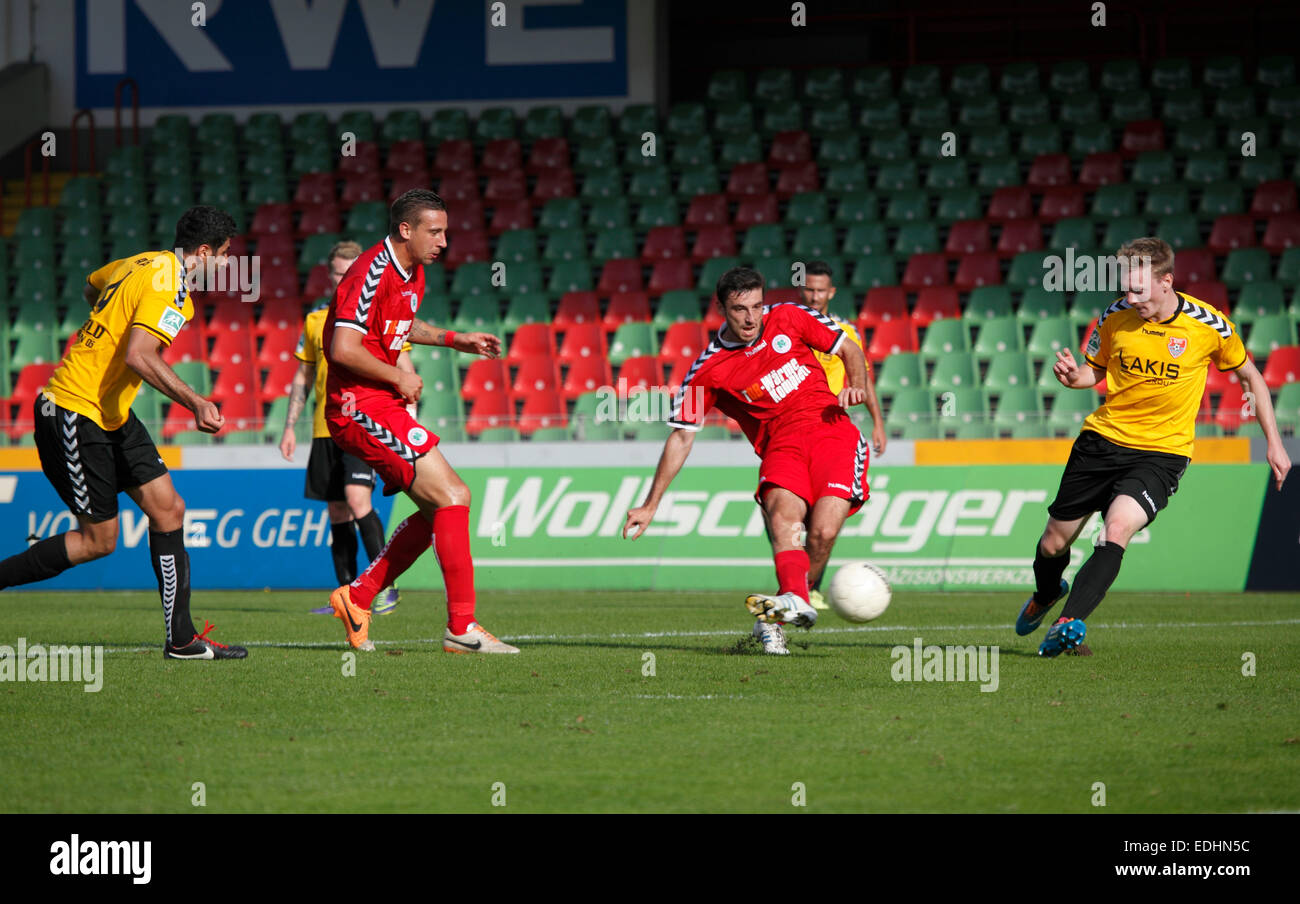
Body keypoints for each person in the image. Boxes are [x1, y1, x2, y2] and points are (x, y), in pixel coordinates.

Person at [1019, 237, 1291, 657]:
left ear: (1167, 281)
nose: (1130, 297)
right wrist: (1072, 377)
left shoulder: (1209, 324)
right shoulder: (1115, 315)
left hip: (1162, 453)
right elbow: (1093, 373)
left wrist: (1274, 443)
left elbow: (1251, 378)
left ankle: (1067, 624)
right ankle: (1047, 592)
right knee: (1053, 544)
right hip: (1102, 441)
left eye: (1139, 289)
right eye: (1126, 287)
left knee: (1116, 528)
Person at [0, 206, 247, 660]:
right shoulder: (171, 288)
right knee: (99, 542)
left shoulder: (140, 262)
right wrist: (196, 401)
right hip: (74, 409)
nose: (227, 265)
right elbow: (139, 355)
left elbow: (92, 283)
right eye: (225, 255)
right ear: (205, 252)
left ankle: (182, 640)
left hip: (112, 413)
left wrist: (103, 323)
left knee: (168, 508)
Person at [623, 266, 881, 655]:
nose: (751, 318)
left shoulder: (790, 317)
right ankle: (795, 599)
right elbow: (681, 436)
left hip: (831, 431)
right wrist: (650, 503)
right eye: (740, 309)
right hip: (782, 446)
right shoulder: (707, 371)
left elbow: (848, 348)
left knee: (823, 533)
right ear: (722, 308)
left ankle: (781, 608)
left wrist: (857, 385)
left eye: (757, 306)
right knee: (783, 517)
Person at [321, 189, 517, 654]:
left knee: (439, 510)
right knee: (454, 495)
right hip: (356, 405)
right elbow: (342, 349)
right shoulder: (368, 271)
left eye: (445, 231)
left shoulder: (413, 273)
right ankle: (461, 628)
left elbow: (399, 327)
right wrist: (396, 376)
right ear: (405, 230)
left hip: (378, 402)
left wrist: (454, 339)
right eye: (436, 231)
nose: (444, 241)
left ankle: (358, 597)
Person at [279, 240, 415, 615]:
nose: (345, 278)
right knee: (336, 512)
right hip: (325, 428)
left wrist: (409, 418)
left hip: (363, 422)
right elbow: (303, 376)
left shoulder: (380, 316)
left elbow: (405, 369)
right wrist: (290, 427)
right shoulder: (315, 320)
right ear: (330, 274)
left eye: (350, 270)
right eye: (338, 272)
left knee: (358, 500)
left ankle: (386, 586)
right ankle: (346, 595)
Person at [798, 260, 885, 609]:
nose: (815, 296)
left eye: (821, 290)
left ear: (831, 293)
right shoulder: (787, 330)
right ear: (801, 289)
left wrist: (877, 422)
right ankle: (800, 581)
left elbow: (863, 379)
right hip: (793, 429)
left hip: (833, 429)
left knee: (825, 517)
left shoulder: (846, 333)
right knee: (793, 514)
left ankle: (809, 586)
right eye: (809, 289)